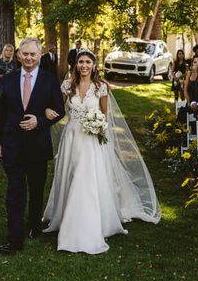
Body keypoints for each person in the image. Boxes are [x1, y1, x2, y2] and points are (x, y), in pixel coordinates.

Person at [42, 49, 161, 254]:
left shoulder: (101, 87)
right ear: (76, 64)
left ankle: (82, 226)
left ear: (94, 65)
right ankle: (65, 215)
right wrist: (46, 110)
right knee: (70, 176)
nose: (84, 65)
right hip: (71, 138)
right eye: (81, 61)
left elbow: (105, 116)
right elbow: (59, 108)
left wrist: (97, 125)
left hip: (90, 140)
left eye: (88, 62)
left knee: (84, 179)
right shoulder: (68, 85)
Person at [0, 37, 65, 255]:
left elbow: (59, 110)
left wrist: (40, 121)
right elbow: (1, 113)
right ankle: (14, 239)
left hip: (37, 145)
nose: (29, 58)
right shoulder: (8, 79)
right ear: (18, 55)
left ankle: (34, 224)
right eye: (25, 54)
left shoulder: (49, 80)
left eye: (33, 54)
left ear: (40, 55)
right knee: (15, 192)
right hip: (12, 143)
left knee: (36, 189)